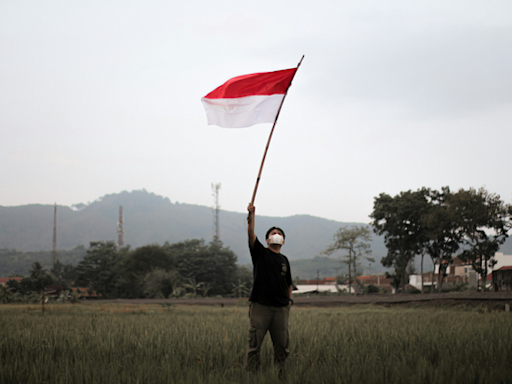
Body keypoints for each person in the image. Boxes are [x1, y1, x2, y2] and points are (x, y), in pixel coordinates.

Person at [245, 202, 293, 371]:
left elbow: (289, 283)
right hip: (261, 306)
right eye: (273, 233)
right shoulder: (260, 253)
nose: (277, 235)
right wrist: (252, 215)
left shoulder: (284, 260)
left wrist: (289, 302)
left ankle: (280, 376)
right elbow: (251, 233)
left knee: (282, 346)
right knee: (254, 345)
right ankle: (252, 375)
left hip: (281, 308)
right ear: (267, 240)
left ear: (283, 241)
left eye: (279, 234)